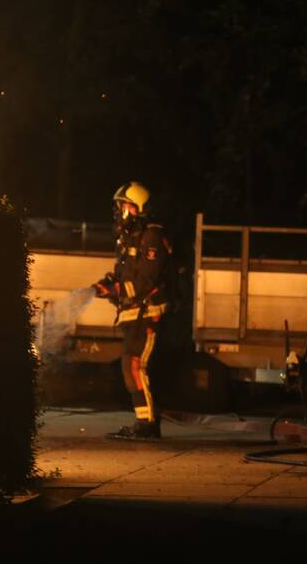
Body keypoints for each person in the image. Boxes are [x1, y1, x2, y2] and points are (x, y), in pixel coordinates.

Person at [93, 181, 173, 440]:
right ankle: (143, 422)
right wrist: (108, 285)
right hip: (133, 314)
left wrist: (116, 290)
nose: (121, 211)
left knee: (136, 366)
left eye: (124, 206)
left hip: (147, 313)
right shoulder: (132, 237)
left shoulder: (151, 237)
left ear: (138, 208)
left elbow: (146, 282)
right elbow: (124, 275)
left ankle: (148, 424)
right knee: (131, 367)